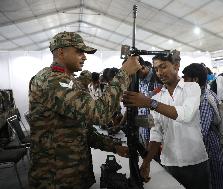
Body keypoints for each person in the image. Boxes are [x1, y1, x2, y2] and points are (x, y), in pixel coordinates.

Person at [28, 31, 141, 189]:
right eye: (79, 52)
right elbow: (99, 114)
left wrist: (113, 146)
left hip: (72, 174)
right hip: (55, 178)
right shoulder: (52, 81)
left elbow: (80, 129)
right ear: (61, 52)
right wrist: (124, 73)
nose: (84, 57)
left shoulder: (68, 80)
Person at [123, 52, 210, 189]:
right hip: (170, 161)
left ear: (176, 66)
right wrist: (146, 163)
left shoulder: (192, 88)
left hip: (195, 160)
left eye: (163, 67)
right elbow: (156, 132)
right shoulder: (157, 97)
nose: (159, 72)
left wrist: (150, 103)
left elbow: (185, 115)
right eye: (156, 69)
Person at [183, 63, 223, 189]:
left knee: (214, 178)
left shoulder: (205, 99)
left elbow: (201, 132)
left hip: (209, 147)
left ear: (195, 79)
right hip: (204, 147)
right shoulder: (199, 94)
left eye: (185, 78)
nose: (183, 81)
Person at [137, 58, 163, 148]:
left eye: (136, 73)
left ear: (143, 68)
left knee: (150, 150)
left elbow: (159, 106)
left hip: (153, 121)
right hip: (142, 119)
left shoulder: (156, 78)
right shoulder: (140, 78)